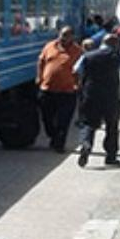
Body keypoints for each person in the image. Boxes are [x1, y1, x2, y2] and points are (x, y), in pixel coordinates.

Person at [74, 34, 120, 167]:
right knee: (112, 127)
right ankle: (111, 156)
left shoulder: (88, 56)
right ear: (115, 44)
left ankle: (86, 144)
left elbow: (76, 69)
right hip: (111, 96)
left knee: (88, 123)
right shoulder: (117, 57)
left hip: (91, 94)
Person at [36, 25, 82, 153]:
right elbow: (41, 62)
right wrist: (39, 77)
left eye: (66, 35)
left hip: (67, 91)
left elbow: (82, 69)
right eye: (62, 34)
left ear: (72, 37)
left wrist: (79, 84)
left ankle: (59, 144)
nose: (63, 38)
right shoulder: (49, 46)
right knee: (47, 118)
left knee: (64, 120)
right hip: (47, 89)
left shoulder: (77, 51)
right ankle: (53, 135)